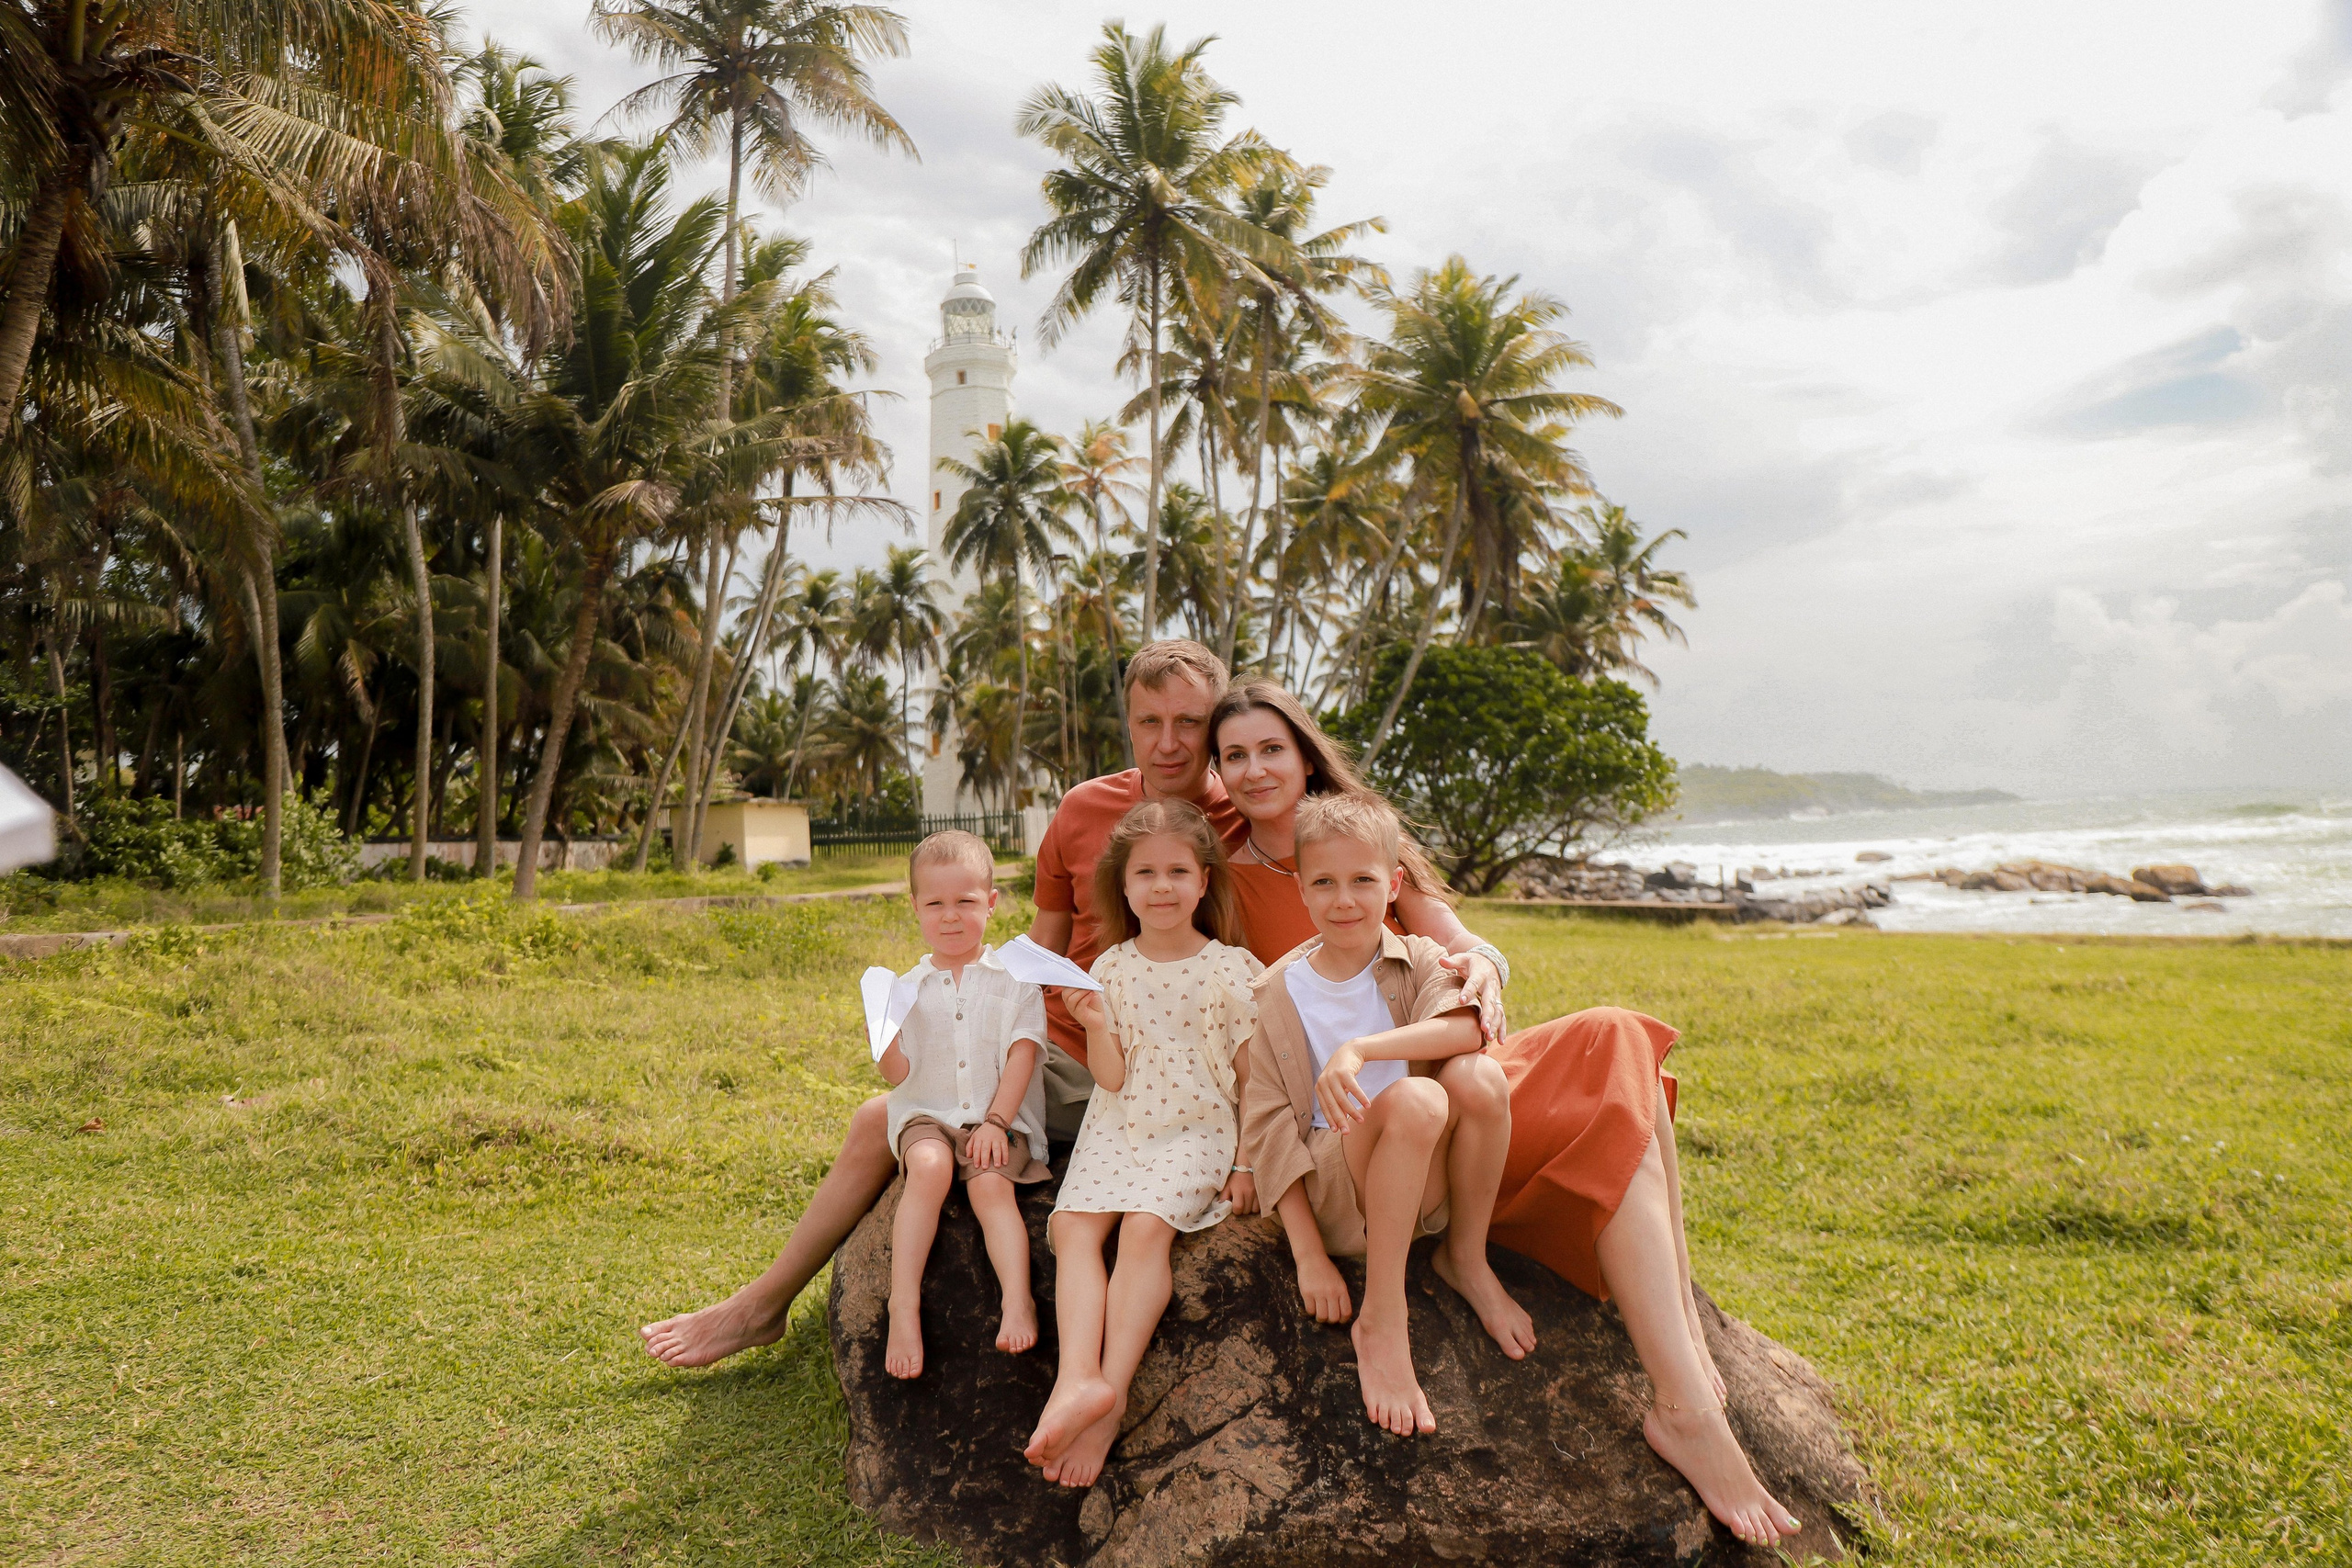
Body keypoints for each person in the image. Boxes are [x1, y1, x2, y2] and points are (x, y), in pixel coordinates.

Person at [639, 640, 1501, 1371]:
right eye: (1149, 722)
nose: (1172, 743)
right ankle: (761, 1303)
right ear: (1127, 722)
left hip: (1178, 1063)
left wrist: (1480, 959)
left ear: (1221, 729)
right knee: (880, 1117)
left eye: (1192, 725)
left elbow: (1390, 900)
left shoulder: (1240, 816)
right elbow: (1036, 943)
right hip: (1065, 1048)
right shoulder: (1086, 807)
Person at [1209, 680, 1801, 1549]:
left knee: (1613, 1038)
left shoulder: (1372, 843)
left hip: (1447, 1080)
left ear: (1305, 753)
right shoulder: (1221, 880)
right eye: (1235, 755)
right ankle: (1674, 1391)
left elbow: (1459, 954)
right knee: (1453, 1094)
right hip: (1352, 1136)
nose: (1256, 768)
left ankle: (1676, 1341)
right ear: (1217, 773)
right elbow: (1203, 1015)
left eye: (1272, 748)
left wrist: (1482, 965)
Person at [1239, 793, 1525, 1438]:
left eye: (1364, 880)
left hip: (1423, 1178)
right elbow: (1267, 1128)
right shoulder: (1277, 992)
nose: (1345, 899)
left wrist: (1359, 1048)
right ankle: (1383, 1313)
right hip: (1346, 1190)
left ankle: (1466, 1258)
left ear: (1394, 883)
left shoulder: (1421, 956)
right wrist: (1308, 1254)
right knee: (1421, 1096)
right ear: (1302, 891)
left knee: (1478, 1077)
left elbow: (1465, 1029)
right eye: (1324, 882)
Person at [1023, 801, 1261, 1488]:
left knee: (1143, 1228)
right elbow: (1112, 1076)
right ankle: (1076, 1379)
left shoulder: (1231, 967)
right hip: (1119, 1121)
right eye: (1145, 873)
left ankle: (1111, 1394)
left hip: (1197, 1126)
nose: (1161, 886)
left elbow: (1252, 1078)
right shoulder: (1113, 968)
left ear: (1204, 881)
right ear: (1122, 888)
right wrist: (1095, 1022)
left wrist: (1246, 1160)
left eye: (1177, 871)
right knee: (1070, 1227)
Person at [871, 831, 1050, 1379]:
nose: (951, 917)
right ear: (916, 908)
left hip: (999, 1116)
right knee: (928, 1167)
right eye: (935, 904)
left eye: (966, 902)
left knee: (992, 1183)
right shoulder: (904, 990)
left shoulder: (1017, 980)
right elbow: (898, 1075)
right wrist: (884, 1036)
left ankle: (1017, 1298)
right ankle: (904, 1305)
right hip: (928, 1115)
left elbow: (1023, 1054)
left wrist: (997, 1122)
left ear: (991, 904)